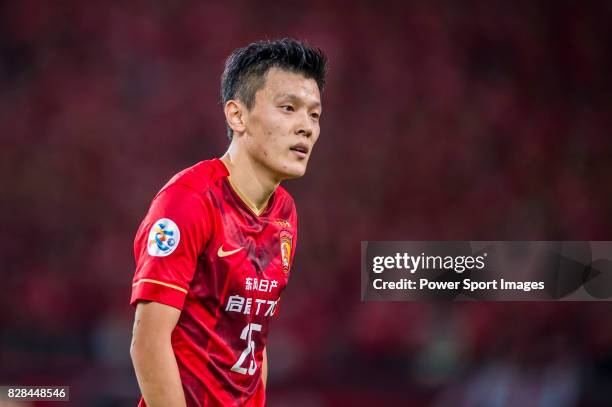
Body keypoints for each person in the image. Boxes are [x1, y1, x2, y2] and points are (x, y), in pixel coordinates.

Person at [129, 38, 327, 406]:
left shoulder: (285, 213)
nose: (306, 127)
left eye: (314, 115)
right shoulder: (187, 202)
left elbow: (253, 343)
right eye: (288, 108)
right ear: (237, 115)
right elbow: (148, 343)